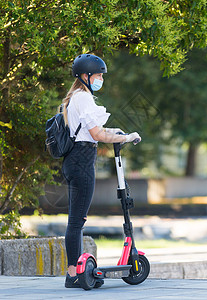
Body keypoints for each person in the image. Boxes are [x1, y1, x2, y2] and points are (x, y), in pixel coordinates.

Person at [61, 54, 141, 288]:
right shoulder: (84, 99)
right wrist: (126, 137)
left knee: (75, 220)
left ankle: (73, 272)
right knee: (77, 222)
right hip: (82, 162)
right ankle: (74, 275)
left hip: (74, 160)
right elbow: (97, 135)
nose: (100, 79)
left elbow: (93, 130)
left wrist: (115, 131)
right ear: (85, 76)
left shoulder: (75, 97)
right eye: (98, 75)